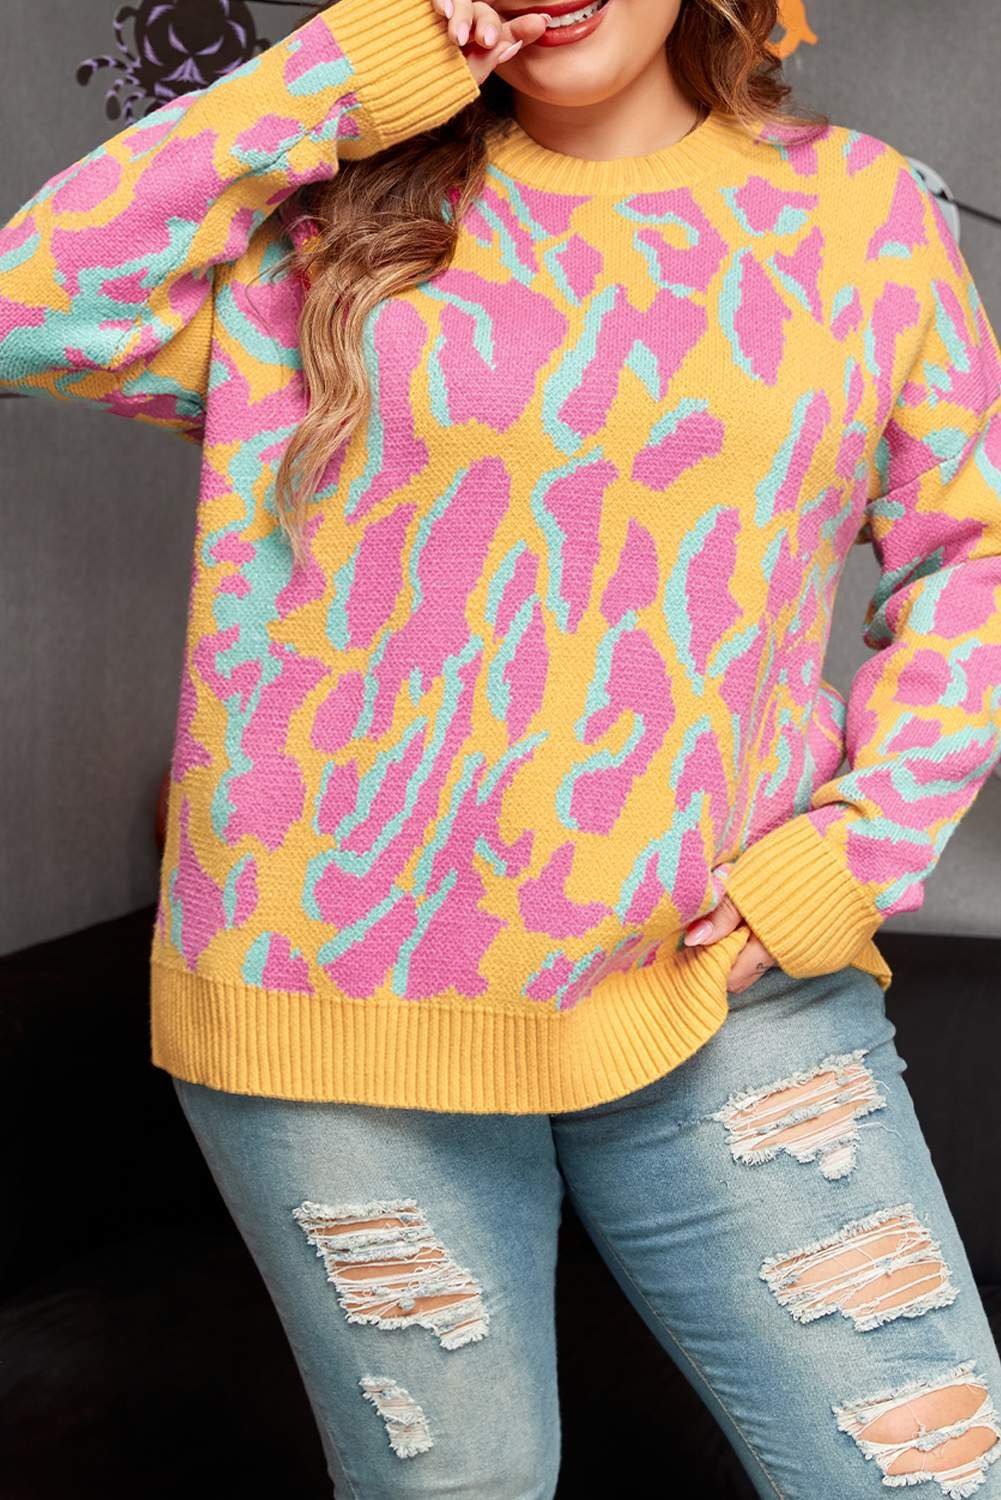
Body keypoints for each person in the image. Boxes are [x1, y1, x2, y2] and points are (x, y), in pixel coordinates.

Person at [3, 0, 1000, 1493]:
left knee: (925, 1469)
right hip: (337, 998)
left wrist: (859, 849)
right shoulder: (320, 229)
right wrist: (353, 64)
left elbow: (974, 557)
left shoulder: (863, 212)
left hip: (720, 976)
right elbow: (30, 304)